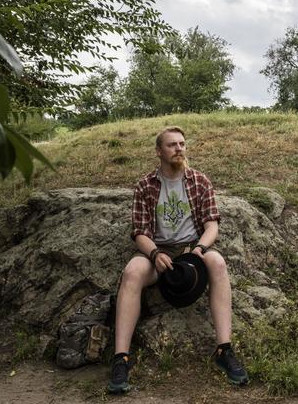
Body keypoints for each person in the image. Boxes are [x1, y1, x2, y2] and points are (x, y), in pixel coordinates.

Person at [108, 126, 248, 395]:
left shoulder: (200, 181)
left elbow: (211, 226)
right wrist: (154, 254)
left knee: (217, 264)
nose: (179, 148)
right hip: (156, 251)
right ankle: (120, 358)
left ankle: (224, 349)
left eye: (182, 144)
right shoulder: (146, 185)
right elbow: (140, 232)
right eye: (172, 145)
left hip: (190, 250)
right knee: (132, 271)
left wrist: (199, 249)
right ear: (159, 151)